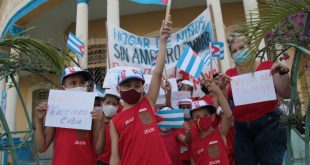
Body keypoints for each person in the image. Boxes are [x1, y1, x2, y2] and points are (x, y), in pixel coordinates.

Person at [109, 17, 172, 165]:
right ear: (118, 89)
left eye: (137, 85)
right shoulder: (114, 122)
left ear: (143, 87)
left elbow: (157, 72)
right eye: (127, 85)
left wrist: (163, 41)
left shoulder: (148, 102)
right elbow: (115, 156)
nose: (132, 88)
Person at [225, 31, 290, 165]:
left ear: (251, 47)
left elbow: (286, 93)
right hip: (242, 131)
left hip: (269, 126)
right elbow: (222, 102)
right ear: (231, 55)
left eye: (242, 48)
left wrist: (282, 73)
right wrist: (219, 88)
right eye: (234, 51)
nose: (238, 52)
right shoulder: (229, 75)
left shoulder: (269, 66)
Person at [35, 66, 105, 165]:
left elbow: (99, 151)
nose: (79, 86)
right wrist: (38, 120)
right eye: (73, 83)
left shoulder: (92, 114)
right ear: (63, 88)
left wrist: (101, 124)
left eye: (82, 83)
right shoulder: (56, 114)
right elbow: (41, 147)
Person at [187, 80, 232, 165]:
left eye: (205, 115)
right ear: (193, 121)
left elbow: (228, 115)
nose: (202, 118)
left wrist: (217, 92)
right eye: (197, 117)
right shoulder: (193, 143)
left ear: (212, 117)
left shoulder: (220, 132)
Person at [97, 89, 120, 165]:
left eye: (114, 104)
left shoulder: (119, 122)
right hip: (98, 160)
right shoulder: (97, 119)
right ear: (102, 103)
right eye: (108, 102)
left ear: (118, 106)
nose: (110, 106)